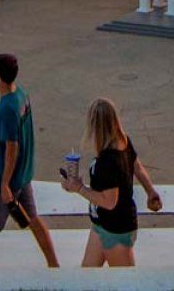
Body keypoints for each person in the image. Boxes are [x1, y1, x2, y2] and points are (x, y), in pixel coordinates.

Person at [0, 53, 58, 268]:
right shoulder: (22, 95)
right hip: (23, 176)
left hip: (3, 181)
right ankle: (53, 264)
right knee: (33, 219)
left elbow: (12, 148)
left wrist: (4, 184)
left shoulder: (7, 109)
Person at [58, 98, 148, 267]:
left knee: (125, 282)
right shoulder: (124, 142)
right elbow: (138, 167)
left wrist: (79, 188)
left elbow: (109, 201)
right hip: (101, 225)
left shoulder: (107, 161)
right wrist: (151, 192)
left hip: (115, 229)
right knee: (88, 277)